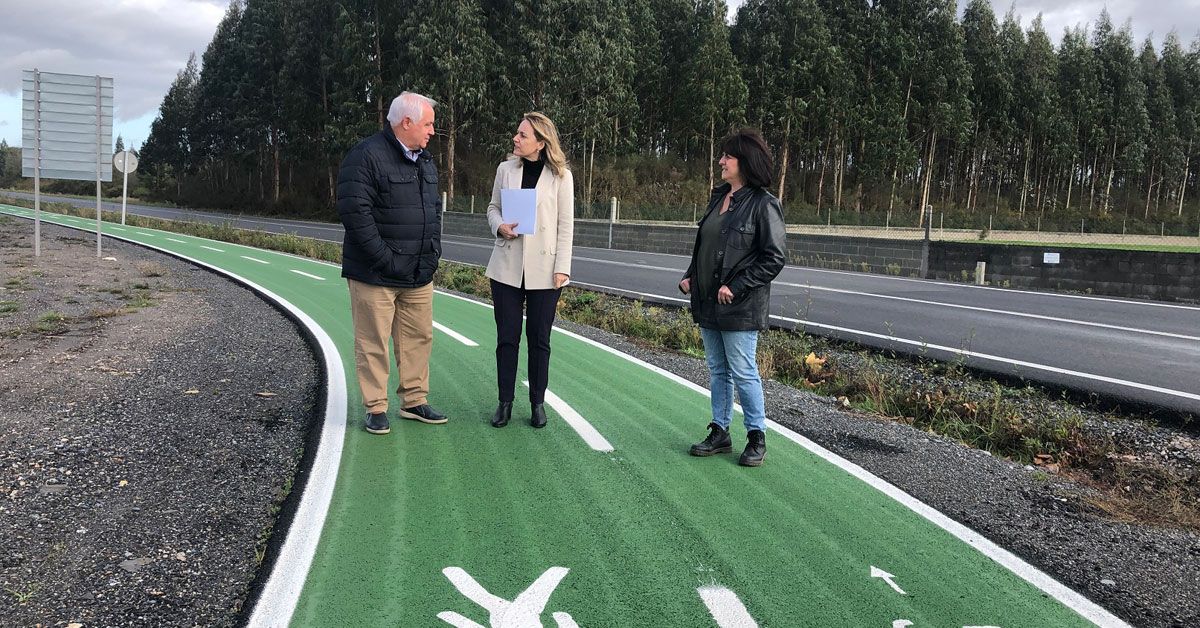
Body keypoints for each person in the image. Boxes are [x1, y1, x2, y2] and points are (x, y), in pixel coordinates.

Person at [336, 91, 447, 435]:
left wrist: (431, 255)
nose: (432, 131)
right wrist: (387, 260)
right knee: (372, 341)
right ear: (406, 121)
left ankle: (414, 400)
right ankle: (376, 407)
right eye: (428, 124)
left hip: (418, 273)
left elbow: (433, 213)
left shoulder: (425, 161)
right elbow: (355, 214)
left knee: (418, 337)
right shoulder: (365, 156)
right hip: (375, 274)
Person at [679, 129, 786, 466]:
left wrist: (737, 285)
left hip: (739, 305)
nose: (721, 161)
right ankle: (720, 431)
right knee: (717, 369)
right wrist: (690, 274)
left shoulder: (764, 204)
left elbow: (774, 257)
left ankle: (756, 437)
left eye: (728, 156)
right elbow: (707, 245)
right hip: (709, 300)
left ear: (745, 162)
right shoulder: (718, 198)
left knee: (743, 370)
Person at [485, 112, 574, 429]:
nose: (515, 138)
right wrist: (500, 227)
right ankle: (504, 403)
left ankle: (538, 403)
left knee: (540, 339)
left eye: (522, 135)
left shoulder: (562, 176)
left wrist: (562, 268)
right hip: (507, 266)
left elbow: (566, 227)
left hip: (546, 271)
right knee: (506, 338)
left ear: (541, 141)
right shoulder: (505, 169)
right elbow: (493, 208)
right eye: (517, 133)